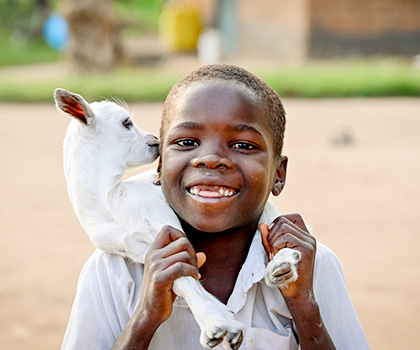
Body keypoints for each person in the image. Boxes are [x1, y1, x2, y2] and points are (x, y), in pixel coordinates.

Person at [61, 64, 369, 350]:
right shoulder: (113, 272)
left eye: (243, 145)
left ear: (279, 173)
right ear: (159, 166)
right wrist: (146, 316)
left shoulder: (311, 266)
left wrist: (303, 303)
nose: (210, 159)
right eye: (186, 143)